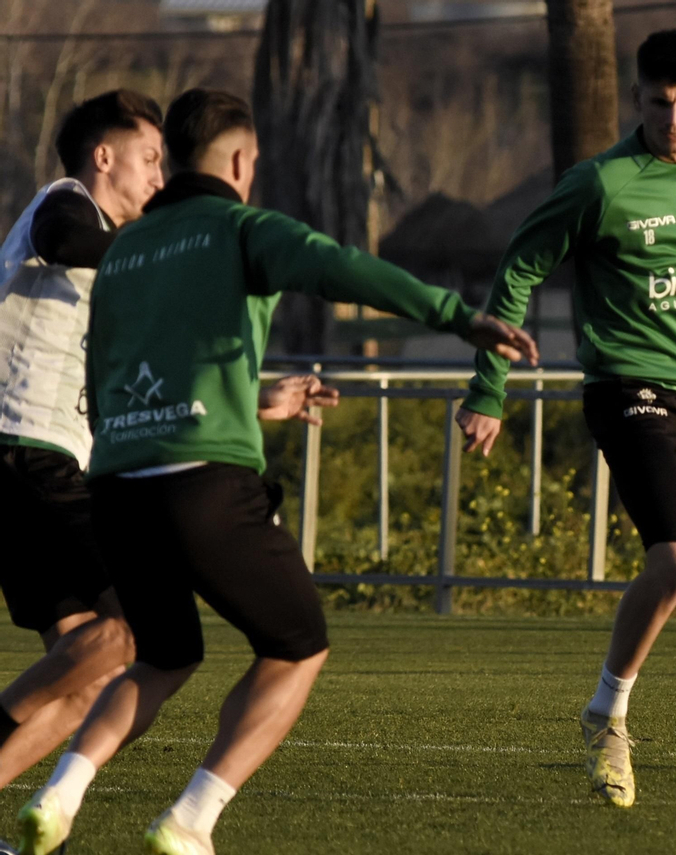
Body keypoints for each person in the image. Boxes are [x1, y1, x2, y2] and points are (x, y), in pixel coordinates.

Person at [14, 88, 537, 855]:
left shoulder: (125, 250)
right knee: (297, 644)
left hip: (117, 487)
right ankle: (190, 819)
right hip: (202, 482)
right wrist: (460, 317)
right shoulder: (239, 227)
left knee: (161, 654)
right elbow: (344, 267)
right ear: (236, 160)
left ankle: (60, 794)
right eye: (253, 162)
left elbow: (117, 368)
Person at [457, 28, 676, 808]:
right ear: (638, 98)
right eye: (660, 102)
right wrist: (488, 389)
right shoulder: (600, 184)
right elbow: (519, 267)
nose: (675, 117)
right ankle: (606, 717)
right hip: (629, 388)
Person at [0, 90, 166, 812]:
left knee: (94, 674)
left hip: (43, 465)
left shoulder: (107, 262)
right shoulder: (65, 204)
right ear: (105, 157)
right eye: (150, 159)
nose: (160, 178)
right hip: (25, 454)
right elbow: (64, 237)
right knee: (139, 621)